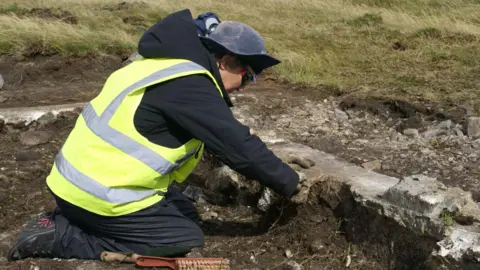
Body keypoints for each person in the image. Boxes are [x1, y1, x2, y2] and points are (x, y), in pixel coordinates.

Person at [7, 9, 301, 261]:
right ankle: (60, 235)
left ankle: (77, 220)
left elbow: (214, 132)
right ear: (226, 61)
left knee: (185, 210)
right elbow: (237, 147)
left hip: (76, 181)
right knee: (183, 237)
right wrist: (290, 182)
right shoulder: (191, 85)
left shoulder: (162, 65)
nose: (245, 86)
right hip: (96, 194)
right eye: (248, 77)